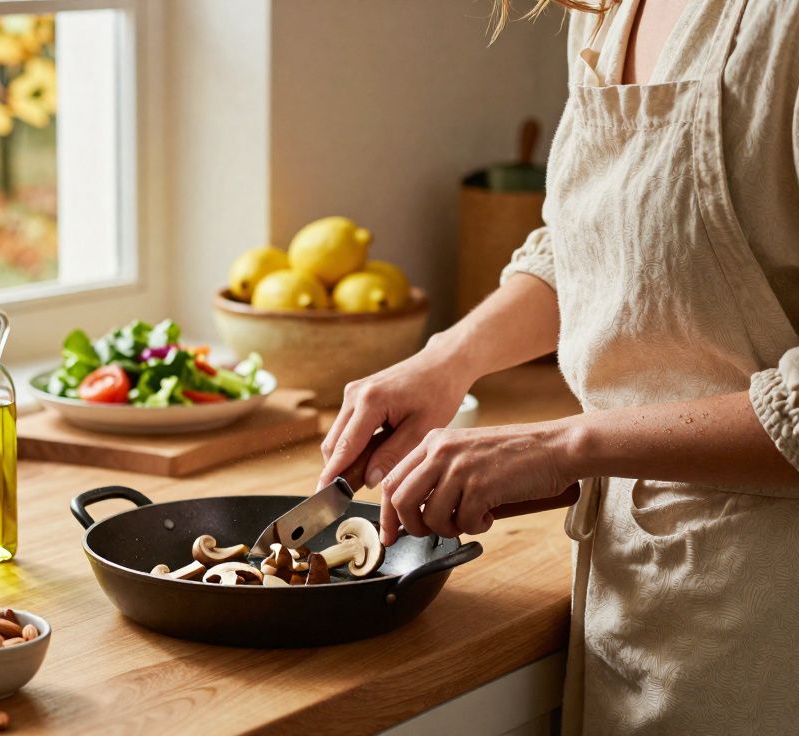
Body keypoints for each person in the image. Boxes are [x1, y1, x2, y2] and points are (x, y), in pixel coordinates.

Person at [317, 0, 799, 732]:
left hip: (770, 625)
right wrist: (449, 358)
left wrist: (560, 444)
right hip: (642, 599)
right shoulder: (604, 8)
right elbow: (600, 240)